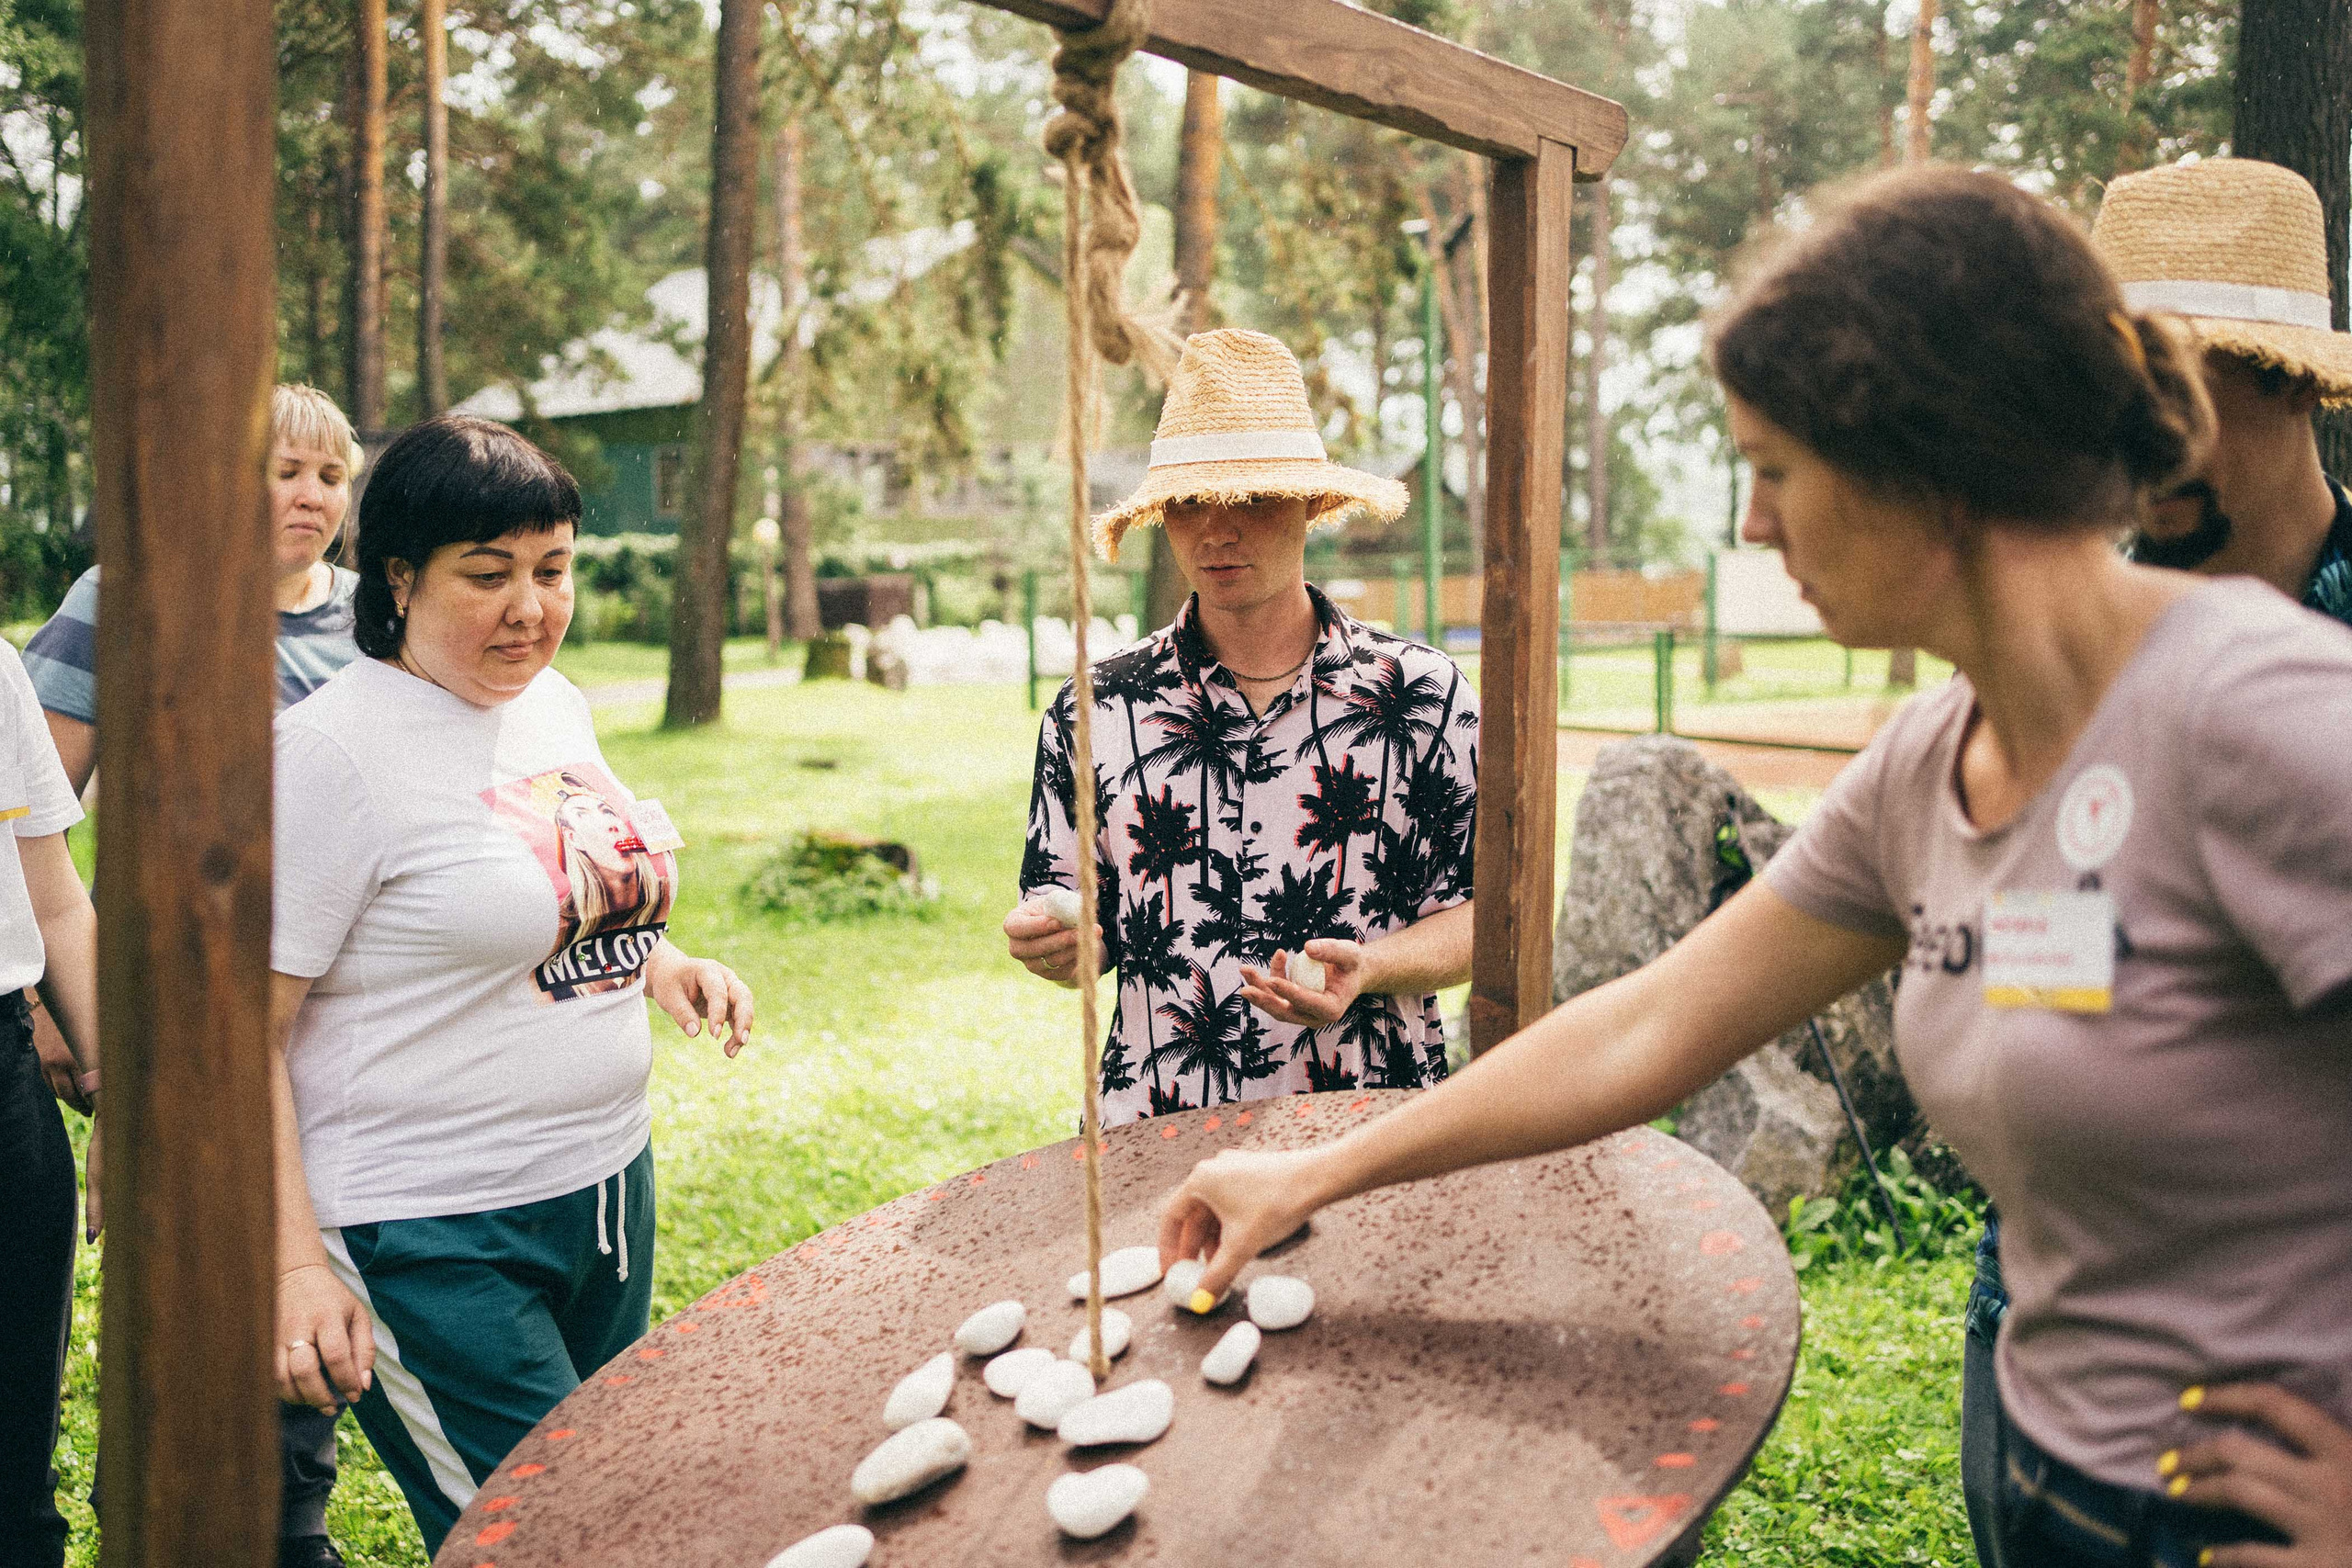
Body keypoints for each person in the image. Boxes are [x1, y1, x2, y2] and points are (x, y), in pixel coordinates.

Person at [1157, 168, 2352, 1568]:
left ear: (1928, 467)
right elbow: (1655, 1019)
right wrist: (1317, 1174)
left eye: (1776, 468)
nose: (1752, 526)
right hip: (2039, 1461)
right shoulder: (1931, 760)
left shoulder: (2261, 718)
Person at [1952, 155, 2352, 1568]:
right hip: (2028, 1351)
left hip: (2275, 1429)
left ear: (2295, 385)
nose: (2143, 443)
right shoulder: (2075, 637)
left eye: (2182, 385)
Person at [266, 414, 755, 1555]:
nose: (529, 608)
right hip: (423, 1228)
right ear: (399, 576)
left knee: (612, 1509)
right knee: (547, 1537)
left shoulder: (552, 702)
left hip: (600, 1193)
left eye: (553, 570)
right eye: (487, 576)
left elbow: (551, 888)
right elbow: (244, 1034)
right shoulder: (331, 756)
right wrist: (293, 1265)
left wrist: (666, 962)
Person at [16, 382, 365, 1568]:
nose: (308, 495)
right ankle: (158, 1516)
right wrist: (57, 1010)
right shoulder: (124, 600)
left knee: (295, 1277)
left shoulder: (372, 621)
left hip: (326, 1023)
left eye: (330, 474)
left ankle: (284, 1520)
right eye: (281, 468)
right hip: (168, 1012)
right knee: (180, 1283)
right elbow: (35, 822)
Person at [1003, 328, 1477, 1124]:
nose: (1215, 531)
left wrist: (1372, 966)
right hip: (1152, 1141)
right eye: (1189, 504)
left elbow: (1490, 913)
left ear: (1309, 503)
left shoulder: (1422, 696)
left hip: (1373, 1131)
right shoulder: (1095, 712)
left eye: (1249, 498)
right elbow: (1081, 928)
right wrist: (1060, 949)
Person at [0, 641, 102, 1568]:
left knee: (13, 1474)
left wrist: (119, 1091)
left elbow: (55, 899)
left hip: (4, 1086)